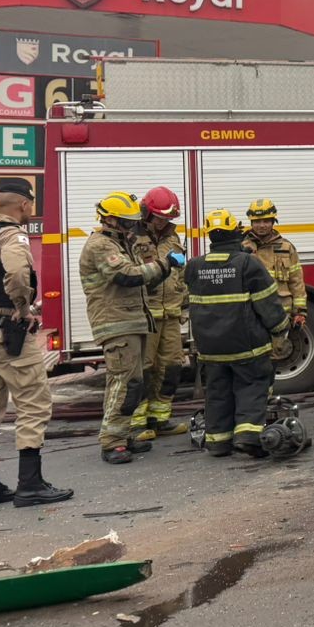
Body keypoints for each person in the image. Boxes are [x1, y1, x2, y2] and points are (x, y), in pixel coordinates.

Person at [0, 178, 73, 508]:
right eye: (30, 205)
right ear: (23, 205)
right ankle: (30, 484)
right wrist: (22, 309)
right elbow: (19, 274)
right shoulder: (11, 235)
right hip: (8, 334)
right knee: (34, 402)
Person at [79, 191, 183, 464]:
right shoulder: (101, 245)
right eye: (126, 222)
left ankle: (122, 436)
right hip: (115, 322)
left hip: (129, 320)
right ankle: (112, 442)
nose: (130, 227)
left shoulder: (117, 242)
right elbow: (126, 275)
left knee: (131, 382)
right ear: (110, 219)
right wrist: (165, 265)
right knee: (124, 383)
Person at [185, 210, 289, 459]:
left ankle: (218, 442)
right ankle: (248, 438)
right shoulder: (247, 263)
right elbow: (268, 303)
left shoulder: (194, 266)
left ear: (210, 235)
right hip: (247, 344)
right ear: (236, 231)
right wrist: (279, 329)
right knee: (252, 386)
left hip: (210, 347)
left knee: (218, 391)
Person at [130, 185, 189, 442]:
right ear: (146, 212)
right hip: (146, 314)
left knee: (172, 366)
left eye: (168, 218)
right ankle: (137, 422)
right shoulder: (131, 238)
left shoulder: (172, 237)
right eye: (160, 217)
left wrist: (185, 301)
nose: (164, 222)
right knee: (144, 367)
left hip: (172, 313)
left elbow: (181, 274)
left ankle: (160, 418)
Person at [242, 199, 308, 361]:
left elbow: (296, 281)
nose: (262, 225)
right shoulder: (242, 247)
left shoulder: (286, 248)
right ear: (251, 222)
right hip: (251, 312)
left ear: (273, 221)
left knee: (276, 356)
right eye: (257, 221)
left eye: (266, 221)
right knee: (253, 357)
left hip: (280, 312)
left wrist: (299, 311)